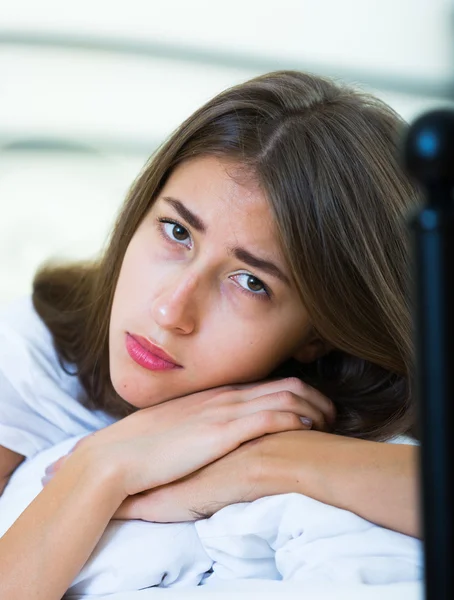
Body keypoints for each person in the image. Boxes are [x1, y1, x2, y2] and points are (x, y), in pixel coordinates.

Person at [0, 70, 420, 599]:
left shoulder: (333, 433)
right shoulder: (27, 357)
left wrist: (265, 465)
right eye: (177, 232)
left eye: (249, 282)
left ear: (319, 334)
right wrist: (101, 467)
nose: (171, 308)